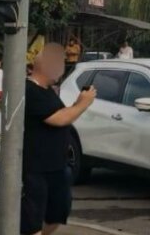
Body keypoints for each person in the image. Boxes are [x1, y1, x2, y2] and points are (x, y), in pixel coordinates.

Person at [23, 43, 96, 235]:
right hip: (36, 167)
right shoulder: (30, 91)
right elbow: (59, 118)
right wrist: (84, 104)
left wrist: (76, 104)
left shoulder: (47, 90)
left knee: (58, 213)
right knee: (32, 219)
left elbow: (61, 112)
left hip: (57, 165)